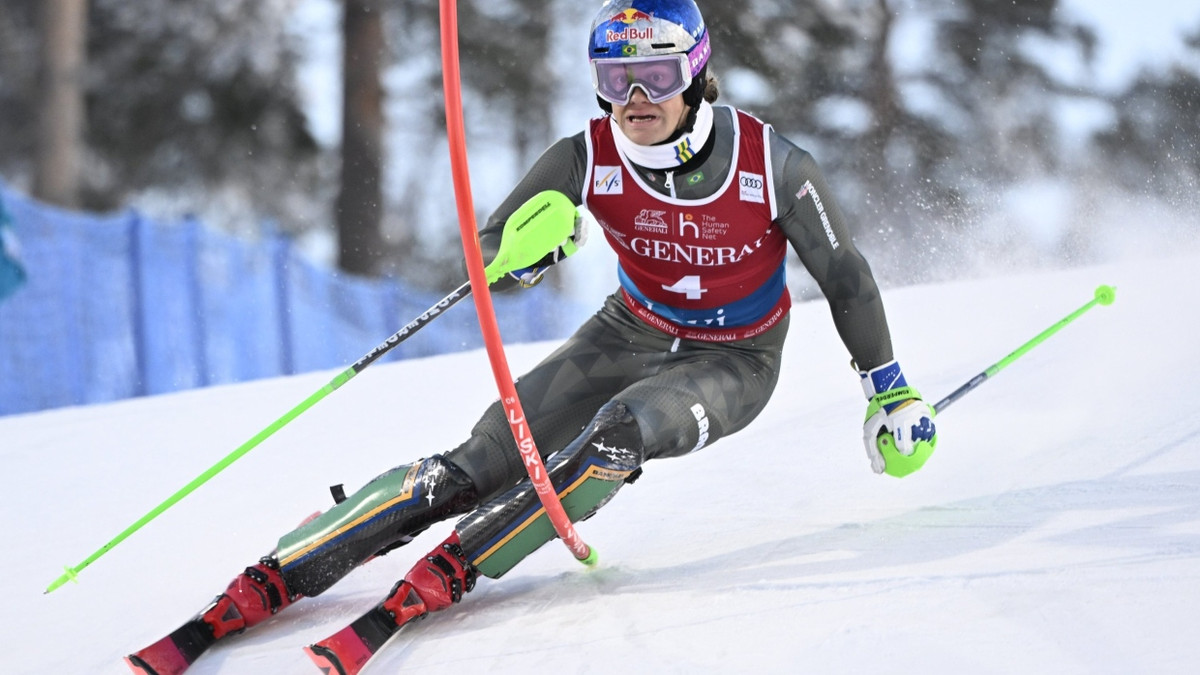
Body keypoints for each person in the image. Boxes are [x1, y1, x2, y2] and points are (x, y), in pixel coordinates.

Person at [126, 1, 937, 672]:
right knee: (475, 462)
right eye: (615, 78)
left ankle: (455, 566)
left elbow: (847, 276)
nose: (635, 97)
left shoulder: (770, 162)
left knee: (618, 434)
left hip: (736, 356)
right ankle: (280, 569)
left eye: (655, 74)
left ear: (694, 72)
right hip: (632, 326)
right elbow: (491, 256)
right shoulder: (585, 155)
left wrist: (888, 388)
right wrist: (525, 258)